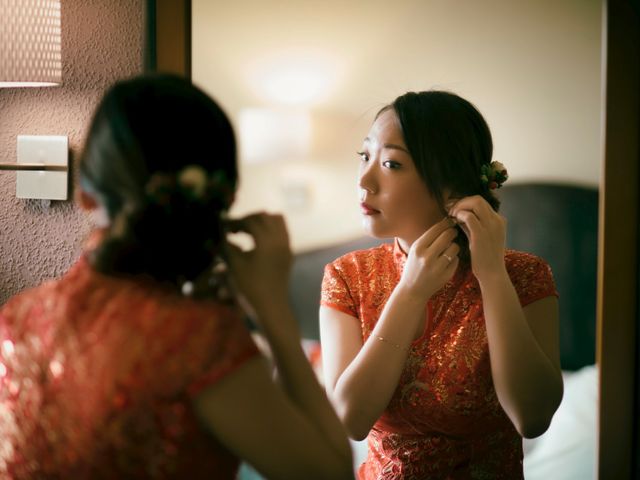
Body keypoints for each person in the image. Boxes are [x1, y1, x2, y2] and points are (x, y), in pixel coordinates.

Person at [0, 74, 353, 479]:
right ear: (226, 200)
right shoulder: (200, 342)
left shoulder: (17, 318)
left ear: (85, 193)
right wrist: (277, 317)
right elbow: (332, 474)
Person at [319, 90, 563, 479]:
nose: (364, 180)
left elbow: (531, 418)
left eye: (391, 164)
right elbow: (350, 419)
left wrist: (492, 275)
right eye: (365, 157)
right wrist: (410, 293)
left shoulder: (524, 276)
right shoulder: (347, 277)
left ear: (452, 185)